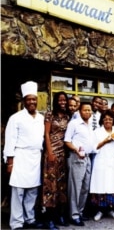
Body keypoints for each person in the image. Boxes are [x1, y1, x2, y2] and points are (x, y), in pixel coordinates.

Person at [3, 81, 44, 230]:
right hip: (20, 157)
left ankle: (30, 219)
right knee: (18, 192)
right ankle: (16, 223)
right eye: (29, 99)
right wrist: (10, 162)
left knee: (32, 191)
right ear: (24, 101)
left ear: (37, 100)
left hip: (35, 158)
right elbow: (10, 141)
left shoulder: (41, 118)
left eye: (34, 99)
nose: (32, 102)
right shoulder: (16, 118)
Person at [90, 110, 114, 221]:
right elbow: (94, 148)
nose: (108, 121)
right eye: (105, 119)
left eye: (110, 119)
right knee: (101, 185)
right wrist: (105, 141)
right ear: (102, 120)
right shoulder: (97, 132)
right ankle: (99, 211)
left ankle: (111, 210)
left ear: (113, 121)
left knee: (112, 186)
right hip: (101, 161)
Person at [42, 91, 70, 229]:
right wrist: (50, 152)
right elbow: (46, 134)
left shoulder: (67, 116)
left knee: (61, 187)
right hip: (52, 154)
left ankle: (59, 215)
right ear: (56, 101)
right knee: (50, 186)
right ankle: (49, 219)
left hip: (63, 155)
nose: (63, 102)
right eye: (60, 100)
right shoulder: (49, 115)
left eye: (65, 100)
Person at [64, 102, 95, 226]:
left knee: (85, 187)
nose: (88, 112)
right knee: (75, 187)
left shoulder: (89, 125)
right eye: (85, 110)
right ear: (80, 111)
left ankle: (80, 212)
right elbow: (67, 141)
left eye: (89, 110)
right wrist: (76, 150)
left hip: (87, 158)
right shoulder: (74, 123)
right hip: (76, 157)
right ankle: (74, 215)